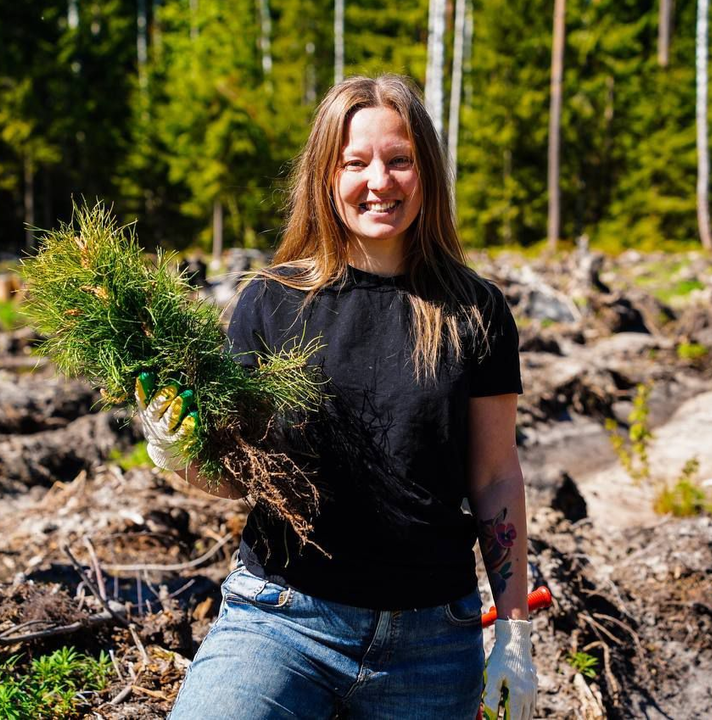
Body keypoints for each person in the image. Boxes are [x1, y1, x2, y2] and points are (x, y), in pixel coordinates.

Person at [138, 74, 538, 720]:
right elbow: (239, 477)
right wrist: (177, 452)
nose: (379, 181)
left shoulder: (474, 312)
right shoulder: (271, 302)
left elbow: (495, 478)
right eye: (356, 162)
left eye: (400, 160)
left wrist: (514, 634)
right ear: (326, 176)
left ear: (427, 172)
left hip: (432, 645)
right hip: (281, 620)